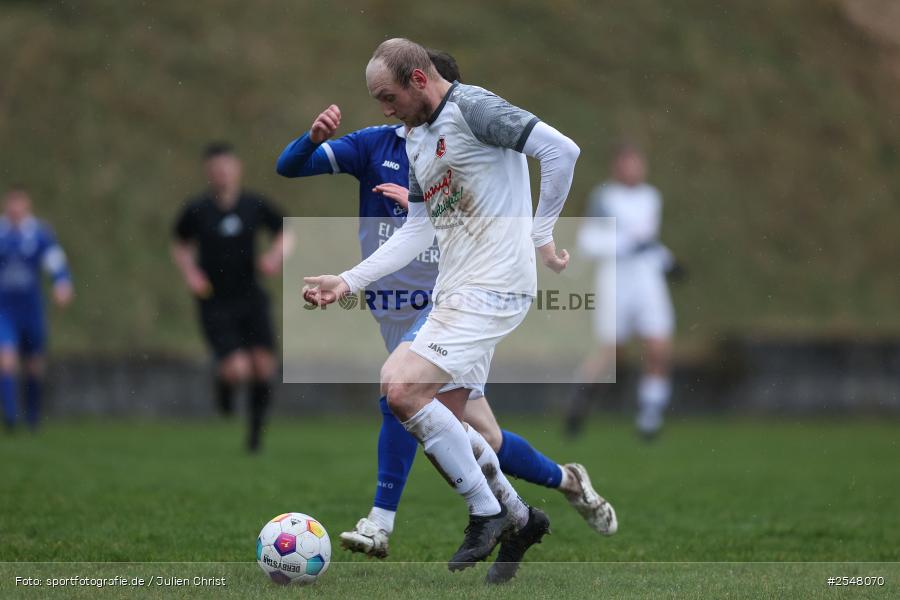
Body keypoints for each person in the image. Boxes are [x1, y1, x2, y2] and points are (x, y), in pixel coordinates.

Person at [277, 50, 616, 561]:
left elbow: (561, 151)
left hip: (494, 284)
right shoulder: (416, 140)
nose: (386, 111)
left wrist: (541, 234)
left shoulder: (474, 108)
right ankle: (518, 514)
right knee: (448, 420)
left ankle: (469, 513)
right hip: (454, 292)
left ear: (418, 80)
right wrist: (347, 281)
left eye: (389, 98)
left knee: (401, 388)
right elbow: (417, 229)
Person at [172, 142, 288, 453]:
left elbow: (285, 230)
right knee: (238, 370)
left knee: (264, 367)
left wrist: (275, 257)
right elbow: (180, 245)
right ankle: (223, 387)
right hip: (216, 301)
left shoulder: (253, 205)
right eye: (215, 170)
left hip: (251, 296)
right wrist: (191, 275)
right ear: (208, 174)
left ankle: (255, 438)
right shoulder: (197, 210)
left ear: (237, 170)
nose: (222, 175)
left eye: (226, 168)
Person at [567, 143, 676, 439]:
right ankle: (580, 402)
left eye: (637, 163)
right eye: (627, 163)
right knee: (612, 355)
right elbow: (589, 242)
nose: (633, 169)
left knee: (658, 347)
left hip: (648, 282)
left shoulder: (652, 197)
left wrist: (667, 261)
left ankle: (649, 418)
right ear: (617, 166)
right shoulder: (604, 198)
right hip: (615, 281)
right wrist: (625, 245)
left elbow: (649, 241)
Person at [0, 185, 73, 431]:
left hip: (31, 309)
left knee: (34, 365)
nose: (14, 208)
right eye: (11, 203)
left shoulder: (40, 234)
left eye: (19, 203)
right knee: (6, 360)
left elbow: (55, 261)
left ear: (27, 205)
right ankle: (10, 417)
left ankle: (32, 417)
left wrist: (62, 283)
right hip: (4, 309)